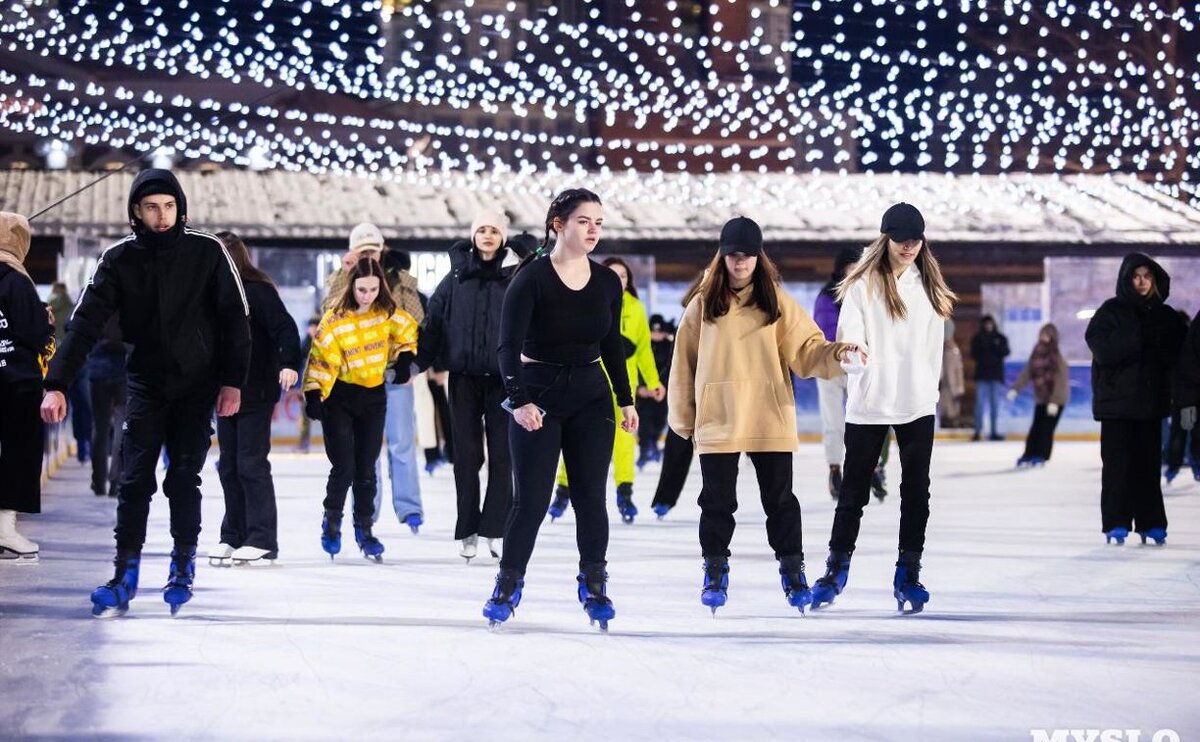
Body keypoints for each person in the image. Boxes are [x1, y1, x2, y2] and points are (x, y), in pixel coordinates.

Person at [40, 169, 251, 617]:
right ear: (137, 211)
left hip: (197, 385)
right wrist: (56, 383)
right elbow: (84, 324)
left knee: (183, 477)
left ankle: (182, 566)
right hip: (146, 384)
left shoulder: (207, 251)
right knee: (134, 479)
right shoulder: (119, 259)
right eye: (152, 207)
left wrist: (233, 381)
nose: (162, 216)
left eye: (169, 206)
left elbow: (236, 318)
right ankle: (125, 573)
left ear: (180, 208)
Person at [669, 217, 855, 614]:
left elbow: (807, 349)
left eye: (748, 255)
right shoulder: (702, 304)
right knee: (717, 502)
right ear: (722, 256)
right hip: (719, 417)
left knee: (780, 500)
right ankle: (715, 570)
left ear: (759, 257)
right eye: (733, 255)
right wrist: (683, 418)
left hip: (768, 414)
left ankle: (792, 570)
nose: (740, 263)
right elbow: (683, 364)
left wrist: (839, 353)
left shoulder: (776, 301)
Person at [482, 188, 636, 630]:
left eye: (598, 223)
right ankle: (507, 583)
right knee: (531, 500)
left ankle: (594, 583)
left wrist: (625, 399)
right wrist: (519, 400)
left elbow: (611, 345)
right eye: (584, 221)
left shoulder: (606, 282)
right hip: (538, 393)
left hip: (591, 396)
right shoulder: (531, 278)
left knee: (591, 497)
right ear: (558, 225)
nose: (593, 230)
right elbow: (507, 347)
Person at [810, 202, 957, 614]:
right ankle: (835, 570)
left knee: (916, 492)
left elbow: (932, 349)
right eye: (900, 240)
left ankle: (908, 573)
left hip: (916, 403)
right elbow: (850, 335)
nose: (908, 247)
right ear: (885, 239)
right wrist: (855, 357)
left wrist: (927, 389)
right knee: (853, 492)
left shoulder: (929, 287)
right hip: (870, 402)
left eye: (915, 240)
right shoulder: (863, 285)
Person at [416, 206, 517, 562]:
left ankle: (495, 528)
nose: (488, 236)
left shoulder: (515, 277)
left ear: (503, 237)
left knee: (503, 457)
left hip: (505, 380)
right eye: (482, 230)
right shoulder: (456, 278)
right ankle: (469, 529)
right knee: (466, 457)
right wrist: (417, 362)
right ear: (473, 236)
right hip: (463, 379)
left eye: (494, 230)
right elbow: (433, 323)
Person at [303, 256, 418, 563]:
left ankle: (364, 530)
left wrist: (405, 359)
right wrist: (314, 393)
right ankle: (332, 522)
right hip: (338, 398)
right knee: (344, 467)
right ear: (351, 286)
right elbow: (320, 357)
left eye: (373, 289)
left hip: (373, 398)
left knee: (367, 469)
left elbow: (408, 332)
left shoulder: (387, 314)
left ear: (381, 288)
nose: (367, 296)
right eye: (361, 289)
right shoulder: (335, 319)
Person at [208, 232, 301, 566]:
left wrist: (289, 363)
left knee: (250, 463)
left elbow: (285, 329)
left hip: (256, 389)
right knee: (228, 466)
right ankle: (233, 535)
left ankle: (262, 539)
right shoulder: (210, 294)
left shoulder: (258, 291)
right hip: (224, 392)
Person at [547, 257, 663, 524]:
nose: (618, 280)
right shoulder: (587, 301)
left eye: (623, 276)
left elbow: (644, 349)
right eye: (613, 274)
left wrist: (653, 382)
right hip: (590, 382)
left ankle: (625, 494)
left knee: (624, 442)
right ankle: (563, 492)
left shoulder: (635, 308)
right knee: (577, 439)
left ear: (629, 281)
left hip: (624, 387)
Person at [1085, 254, 1186, 546]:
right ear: (1126, 279)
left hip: (1150, 404)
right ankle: (1116, 522)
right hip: (1116, 406)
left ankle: (1151, 522)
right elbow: (1102, 349)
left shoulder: (1165, 317)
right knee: (1116, 467)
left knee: (1148, 467)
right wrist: (1138, 335)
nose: (1141, 281)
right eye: (1136, 276)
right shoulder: (1110, 312)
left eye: (1147, 276)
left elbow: (1181, 356)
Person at [0, 212, 55, 563]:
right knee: (19, 453)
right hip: (18, 384)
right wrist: (45, 318)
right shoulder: (16, 281)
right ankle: (5, 530)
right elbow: (35, 334)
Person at [375, 242, 426, 534]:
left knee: (403, 443)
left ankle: (410, 508)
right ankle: (365, 510)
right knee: (365, 450)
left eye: (373, 248)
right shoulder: (346, 280)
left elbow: (419, 323)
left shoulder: (402, 282)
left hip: (397, 374)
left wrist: (413, 365)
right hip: (360, 377)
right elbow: (330, 315)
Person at [813, 246, 862, 497]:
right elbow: (826, 329)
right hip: (830, 366)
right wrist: (846, 345)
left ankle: (870, 468)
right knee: (833, 422)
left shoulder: (867, 294)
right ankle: (834, 468)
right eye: (850, 267)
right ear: (841, 269)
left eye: (858, 268)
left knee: (863, 419)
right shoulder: (827, 296)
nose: (854, 272)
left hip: (858, 366)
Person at [1006, 323, 1070, 467]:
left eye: (1046, 335)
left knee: (1046, 429)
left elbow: (1060, 381)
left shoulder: (1056, 356)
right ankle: (1029, 453)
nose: (1043, 337)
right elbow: (1027, 372)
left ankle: (1041, 455)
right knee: (1036, 427)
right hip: (1042, 398)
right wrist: (1015, 389)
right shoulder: (1036, 353)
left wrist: (1054, 401)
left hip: (1056, 399)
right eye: (1042, 334)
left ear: (1052, 337)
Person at [48, 281, 92, 462]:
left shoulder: (48, 306)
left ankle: (60, 443)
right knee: (83, 406)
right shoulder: (72, 306)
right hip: (79, 361)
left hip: (58, 363)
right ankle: (84, 446)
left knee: (65, 402)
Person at [86, 316, 127, 497]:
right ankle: (116, 481)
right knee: (121, 427)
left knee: (99, 428)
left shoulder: (94, 301)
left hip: (98, 371)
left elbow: (72, 325)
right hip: (123, 371)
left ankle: (98, 482)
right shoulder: (128, 302)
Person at [636, 314, 675, 469]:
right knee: (644, 420)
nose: (656, 334)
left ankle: (653, 445)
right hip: (644, 393)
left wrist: (663, 388)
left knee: (660, 419)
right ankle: (644, 449)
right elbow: (636, 367)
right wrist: (640, 389)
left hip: (663, 393)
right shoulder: (642, 345)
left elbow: (672, 369)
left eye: (659, 332)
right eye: (653, 331)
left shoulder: (670, 347)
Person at [970, 314, 1010, 441]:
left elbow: (1006, 351)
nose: (988, 326)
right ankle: (977, 431)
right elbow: (973, 354)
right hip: (982, 376)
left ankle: (993, 431)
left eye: (990, 323)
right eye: (986, 323)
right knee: (979, 405)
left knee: (994, 406)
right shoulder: (978, 338)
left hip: (995, 376)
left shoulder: (1000, 338)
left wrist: (995, 346)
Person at [296, 316, 320, 453]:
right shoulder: (304, 345)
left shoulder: (325, 342)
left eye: (314, 327)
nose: (312, 330)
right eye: (311, 327)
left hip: (324, 384)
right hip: (307, 386)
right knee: (305, 415)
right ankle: (303, 444)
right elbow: (299, 367)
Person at [939, 319, 965, 428]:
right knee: (945, 411)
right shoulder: (940, 351)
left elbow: (958, 371)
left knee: (952, 411)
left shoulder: (954, 351)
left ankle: (952, 422)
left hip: (953, 388)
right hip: (943, 387)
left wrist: (959, 388)